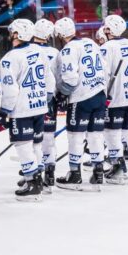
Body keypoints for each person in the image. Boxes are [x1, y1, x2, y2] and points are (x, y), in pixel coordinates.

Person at [0, 19, 53, 201]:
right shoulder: (39, 50)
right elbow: (49, 78)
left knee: (23, 145)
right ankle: (38, 179)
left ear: (16, 34)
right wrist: (45, 98)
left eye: (11, 32)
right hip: (39, 106)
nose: (9, 35)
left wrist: (3, 111)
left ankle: (32, 183)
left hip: (22, 109)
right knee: (36, 145)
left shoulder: (9, 58)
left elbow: (11, 90)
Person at [53, 17, 108, 191]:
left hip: (81, 98)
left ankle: (75, 174)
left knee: (75, 136)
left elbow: (70, 78)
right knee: (95, 135)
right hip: (99, 95)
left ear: (61, 34)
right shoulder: (90, 43)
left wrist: (62, 94)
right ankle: (98, 172)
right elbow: (105, 68)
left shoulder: (68, 49)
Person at [99, 14, 128, 184]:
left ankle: (118, 168)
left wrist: (101, 94)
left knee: (111, 132)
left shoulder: (106, 47)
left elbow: (104, 74)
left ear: (109, 29)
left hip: (115, 98)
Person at [32, 19, 61, 190]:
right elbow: (58, 77)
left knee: (31, 140)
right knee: (48, 138)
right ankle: (50, 175)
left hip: (30, 99)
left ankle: (34, 175)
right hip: (50, 100)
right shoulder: (55, 52)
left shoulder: (27, 50)